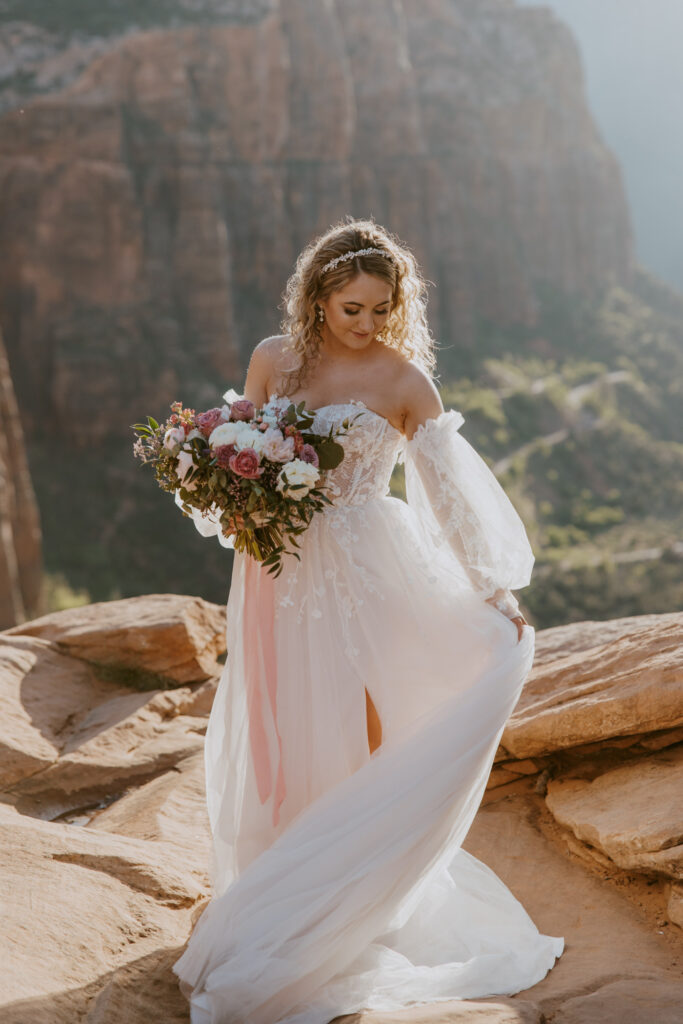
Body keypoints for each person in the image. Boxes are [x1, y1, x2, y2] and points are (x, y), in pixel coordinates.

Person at [172, 217, 564, 1023]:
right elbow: (232, 452)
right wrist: (235, 502)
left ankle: (352, 889)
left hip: (369, 569)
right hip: (279, 569)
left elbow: (451, 499)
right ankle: (287, 876)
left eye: (381, 308)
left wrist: (494, 590)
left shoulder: (404, 381)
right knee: (288, 717)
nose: (368, 323)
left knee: (368, 719)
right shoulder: (275, 359)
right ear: (316, 299)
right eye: (352, 307)